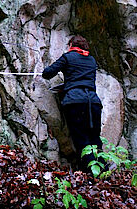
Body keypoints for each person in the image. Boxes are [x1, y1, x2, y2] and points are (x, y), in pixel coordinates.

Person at [42, 35, 103, 172]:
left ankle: (89, 174)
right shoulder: (91, 60)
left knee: (81, 139)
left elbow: (48, 73)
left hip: (75, 101)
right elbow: (82, 76)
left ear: (71, 45)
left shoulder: (68, 57)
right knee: (95, 139)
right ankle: (102, 173)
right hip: (93, 101)